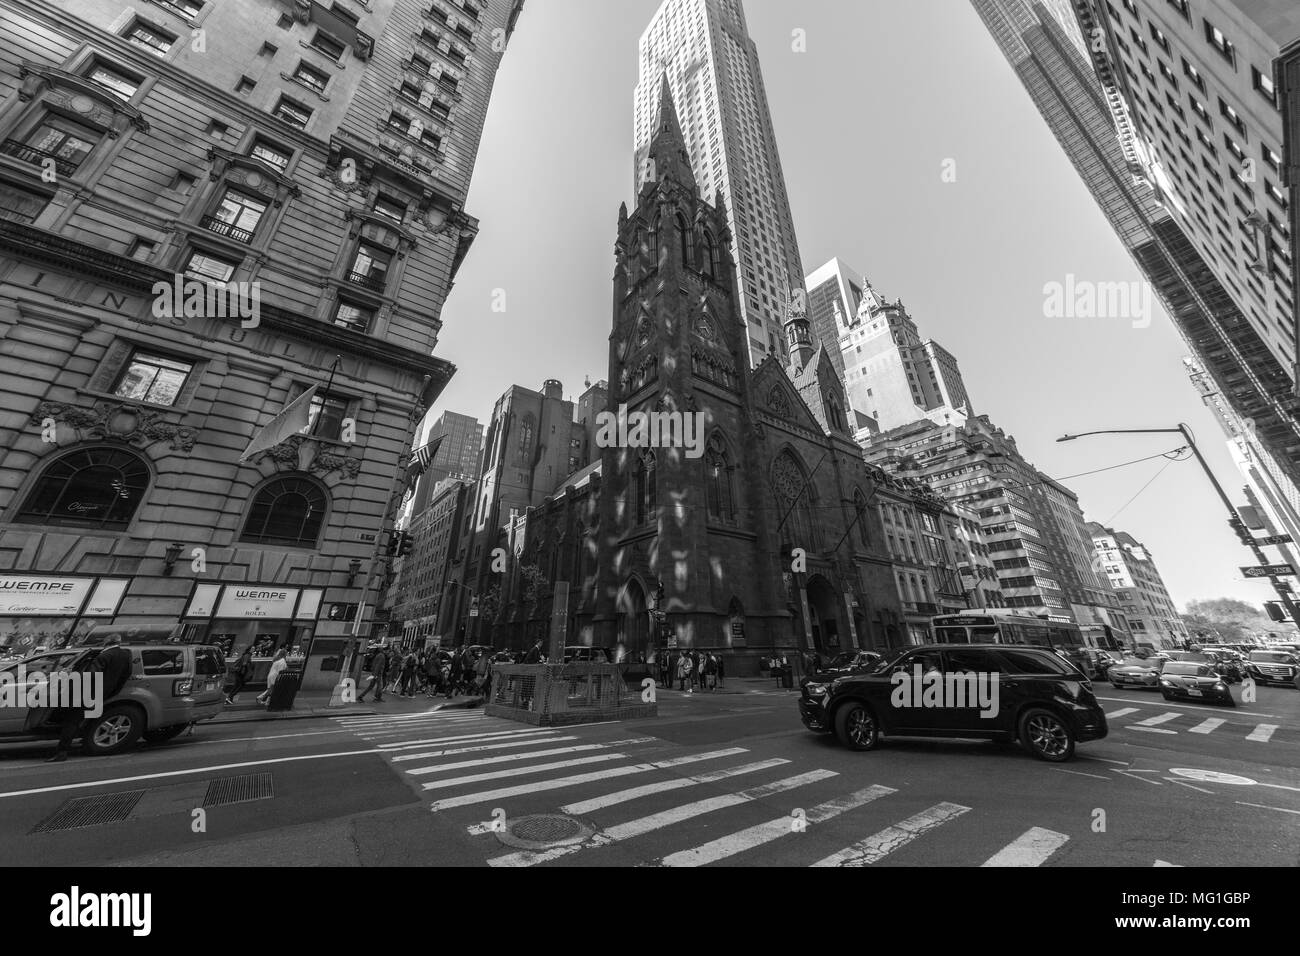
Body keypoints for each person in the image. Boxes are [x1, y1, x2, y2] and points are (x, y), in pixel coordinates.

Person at [46, 637, 134, 762]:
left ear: (106, 642)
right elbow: (126, 674)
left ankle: (62, 751)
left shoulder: (103, 656)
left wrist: (69, 676)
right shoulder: (126, 655)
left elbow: (90, 675)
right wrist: (112, 692)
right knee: (85, 719)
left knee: (72, 721)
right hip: (103, 694)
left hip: (86, 693)